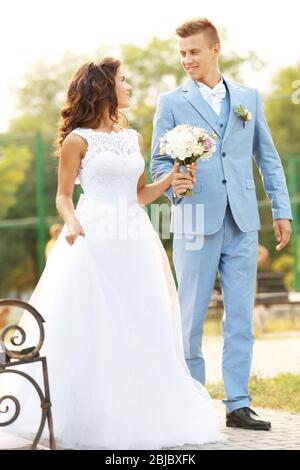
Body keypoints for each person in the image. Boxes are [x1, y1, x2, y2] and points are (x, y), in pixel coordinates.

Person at [5, 57, 224, 450]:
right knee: (95, 325)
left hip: (135, 239)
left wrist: (172, 177)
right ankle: (88, 414)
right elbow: (62, 195)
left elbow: (139, 195)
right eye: (124, 80)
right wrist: (71, 222)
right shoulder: (77, 140)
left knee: (142, 320)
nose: (129, 86)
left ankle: (142, 410)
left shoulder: (133, 138)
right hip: (93, 236)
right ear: (104, 86)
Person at [151, 17, 292, 431]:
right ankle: (192, 403)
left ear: (215, 49)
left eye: (194, 51)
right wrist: (175, 184)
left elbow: (268, 158)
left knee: (240, 317)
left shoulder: (249, 97)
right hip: (194, 216)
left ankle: (238, 404)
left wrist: (281, 210)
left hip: (244, 220)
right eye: (182, 54)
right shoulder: (171, 102)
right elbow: (158, 163)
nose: (187, 60)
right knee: (191, 316)